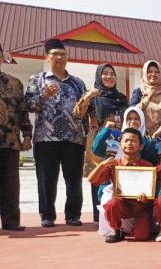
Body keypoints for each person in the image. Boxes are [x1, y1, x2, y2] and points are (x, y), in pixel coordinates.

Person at [25, 39, 87, 227]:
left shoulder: (77, 83)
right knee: (46, 178)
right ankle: (47, 215)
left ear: (67, 58)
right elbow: (28, 106)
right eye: (55, 55)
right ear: (47, 57)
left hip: (73, 137)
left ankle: (73, 214)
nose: (59, 58)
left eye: (63, 54)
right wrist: (44, 95)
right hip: (46, 138)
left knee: (74, 179)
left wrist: (86, 136)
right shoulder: (37, 79)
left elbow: (84, 110)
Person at [73, 63, 128, 222]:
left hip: (117, 141)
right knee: (98, 177)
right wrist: (89, 96)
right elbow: (77, 115)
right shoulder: (91, 96)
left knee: (115, 176)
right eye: (105, 73)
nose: (109, 77)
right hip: (96, 141)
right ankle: (100, 218)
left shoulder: (121, 98)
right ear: (98, 76)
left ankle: (116, 215)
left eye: (112, 74)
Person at [88, 128, 153, 243]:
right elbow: (92, 180)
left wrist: (145, 197)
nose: (129, 143)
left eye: (133, 141)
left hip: (140, 206)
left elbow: (150, 191)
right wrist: (102, 165)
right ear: (120, 144)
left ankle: (140, 227)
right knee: (112, 203)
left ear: (141, 146)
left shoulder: (147, 166)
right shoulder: (114, 164)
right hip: (122, 204)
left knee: (142, 236)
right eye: (126, 140)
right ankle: (116, 229)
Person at [0, 45, 32, 231]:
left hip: (10, 141)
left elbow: (23, 113)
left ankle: (11, 221)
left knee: (10, 184)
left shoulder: (14, 83)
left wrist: (27, 135)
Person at [92, 107, 159, 166]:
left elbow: (151, 159)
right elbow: (97, 150)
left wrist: (153, 139)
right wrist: (106, 129)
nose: (132, 121)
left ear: (142, 121)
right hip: (112, 176)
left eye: (136, 119)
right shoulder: (115, 138)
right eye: (129, 119)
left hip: (137, 176)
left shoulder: (145, 141)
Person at [130, 60, 161, 136]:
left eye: (157, 72)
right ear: (145, 73)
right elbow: (131, 112)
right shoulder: (139, 92)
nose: (153, 74)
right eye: (149, 71)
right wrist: (145, 100)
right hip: (143, 136)